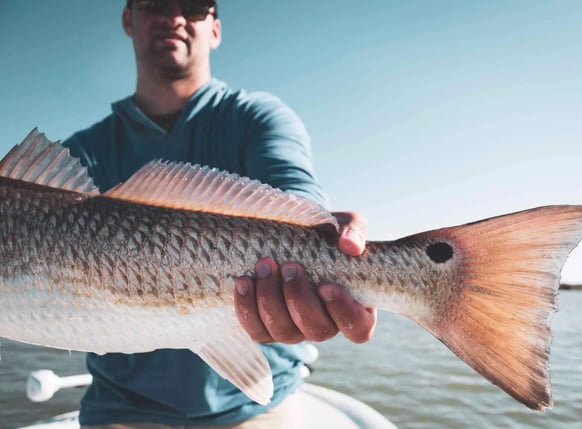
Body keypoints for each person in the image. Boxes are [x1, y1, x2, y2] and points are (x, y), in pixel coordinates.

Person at [63, 0, 377, 428]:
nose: (173, 17)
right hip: (122, 410)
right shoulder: (79, 154)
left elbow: (295, 196)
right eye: (154, 2)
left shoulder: (256, 117)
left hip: (259, 406)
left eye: (192, 6)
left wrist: (327, 234)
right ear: (128, 19)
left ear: (215, 29)